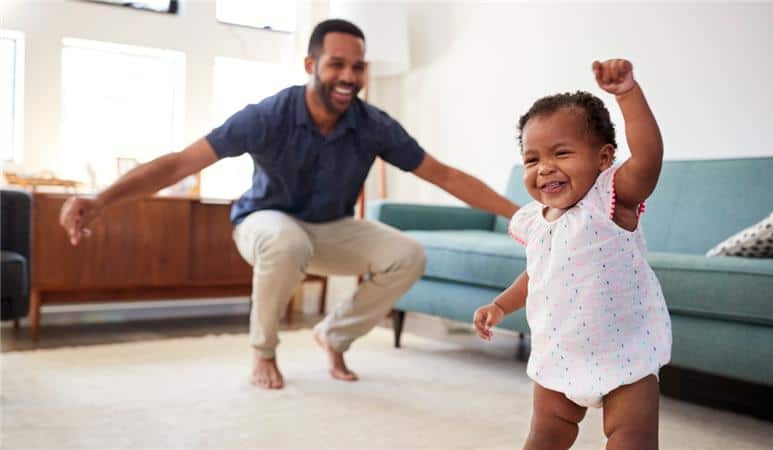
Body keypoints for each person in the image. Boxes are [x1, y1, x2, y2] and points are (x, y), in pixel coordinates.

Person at [60, 19, 518, 390]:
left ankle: (333, 335)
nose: (348, 77)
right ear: (310, 63)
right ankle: (263, 351)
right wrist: (102, 199)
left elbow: (443, 174)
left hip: (330, 227)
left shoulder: (372, 124)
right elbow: (181, 162)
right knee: (284, 240)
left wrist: (518, 214)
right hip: (263, 223)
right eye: (337, 64)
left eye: (358, 68)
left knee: (408, 254)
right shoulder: (268, 115)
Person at [472, 59, 672, 450]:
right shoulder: (535, 220)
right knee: (545, 436)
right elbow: (539, 274)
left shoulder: (610, 201)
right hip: (559, 351)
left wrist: (627, 96)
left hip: (624, 354)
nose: (545, 169)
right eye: (532, 159)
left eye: (561, 154)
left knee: (633, 438)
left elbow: (648, 159)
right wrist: (500, 305)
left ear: (603, 159)